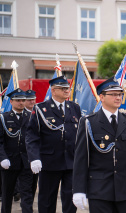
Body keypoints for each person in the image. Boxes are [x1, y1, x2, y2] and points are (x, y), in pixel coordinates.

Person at [72, 77, 126, 213]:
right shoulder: (88, 122)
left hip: (124, 190)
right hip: (99, 190)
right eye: (113, 94)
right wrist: (78, 190)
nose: (118, 97)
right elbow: (81, 159)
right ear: (101, 97)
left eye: (120, 94)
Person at [25, 76, 81, 213]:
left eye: (67, 88)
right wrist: (34, 158)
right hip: (49, 162)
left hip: (71, 161)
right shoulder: (40, 109)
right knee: (47, 200)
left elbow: (79, 134)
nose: (66, 91)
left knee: (70, 199)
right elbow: (32, 136)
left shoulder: (74, 108)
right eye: (63, 89)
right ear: (53, 90)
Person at [0, 88, 34, 213]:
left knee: (27, 193)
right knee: (7, 194)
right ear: (11, 101)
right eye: (18, 100)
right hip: (9, 162)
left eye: (23, 100)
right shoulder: (4, 118)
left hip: (26, 162)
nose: (21, 102)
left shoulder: (31, 117)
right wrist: (2, 158)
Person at [24, 89, 38, 200]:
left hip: (36, 153)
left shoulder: (39, 113)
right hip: (22, 153)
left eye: (33, 99)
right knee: (25, 184)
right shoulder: (21, 114)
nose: (32, 102)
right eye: (29, 100)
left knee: (34, 182)